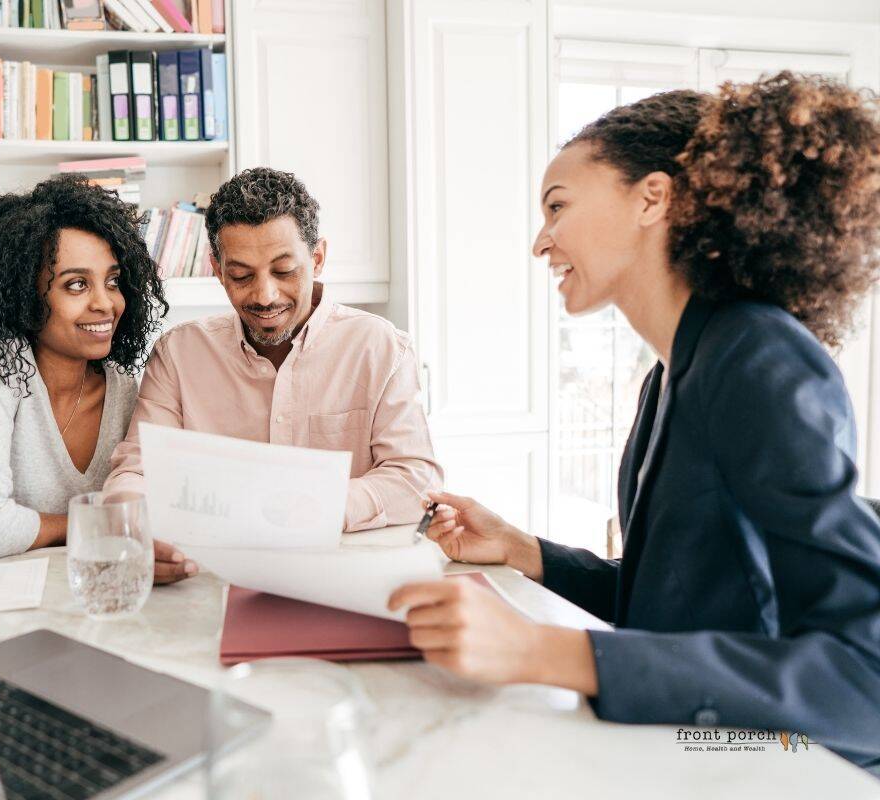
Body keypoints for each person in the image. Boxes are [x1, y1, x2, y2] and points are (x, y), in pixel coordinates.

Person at [389, 73, 880, 771]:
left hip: (786, 769)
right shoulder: (674, 372)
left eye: (557, 206)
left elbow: (864, 681)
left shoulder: (756, 355)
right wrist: (524, 550)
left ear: (654, 197)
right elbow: (673, 604)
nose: (541, 241)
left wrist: (537, 649)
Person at [104, 167, 443, 577]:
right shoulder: (178, 354)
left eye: (284, 272)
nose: (265, 296)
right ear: (216, 268)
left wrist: (318, 506)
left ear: (317, 258)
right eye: (241, 276)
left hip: (344, 577)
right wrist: (131, 527)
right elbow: (137, 470)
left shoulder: (381, 348)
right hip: (211, 575)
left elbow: (415, 480)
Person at [0, 174, 182, 578]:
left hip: (61, 589)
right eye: (76, 285)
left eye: (112, 281)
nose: (105, 303)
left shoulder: (121, 385)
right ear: (24, 296)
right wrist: (94, 526)